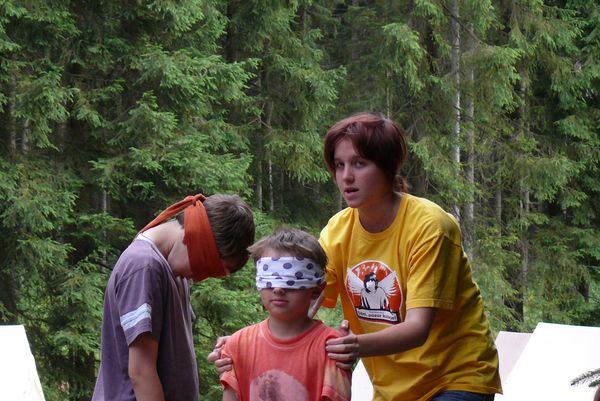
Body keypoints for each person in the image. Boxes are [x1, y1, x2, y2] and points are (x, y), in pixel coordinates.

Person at [211, 112, 502, 401]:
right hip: (393, 389)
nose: (346, 176)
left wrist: (353, 345)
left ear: (388, 166)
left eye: (359, 163)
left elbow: (418, 328)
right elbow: (302, 305)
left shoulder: (430, 227)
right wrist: (242, 346)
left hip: (457, 377)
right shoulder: (337, 231)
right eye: (339, 165)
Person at [92, 193, 255, 401]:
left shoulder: (173, 272)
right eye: (203, 267)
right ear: (193, 236)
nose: (199, 277)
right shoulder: (144, 266)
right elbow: (141, 372)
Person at [220, 227, 351, 401]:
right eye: (269, 278)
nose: (278, 288)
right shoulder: (238, 345)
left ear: (316, 290)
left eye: (291, 280)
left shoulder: (332, 349)